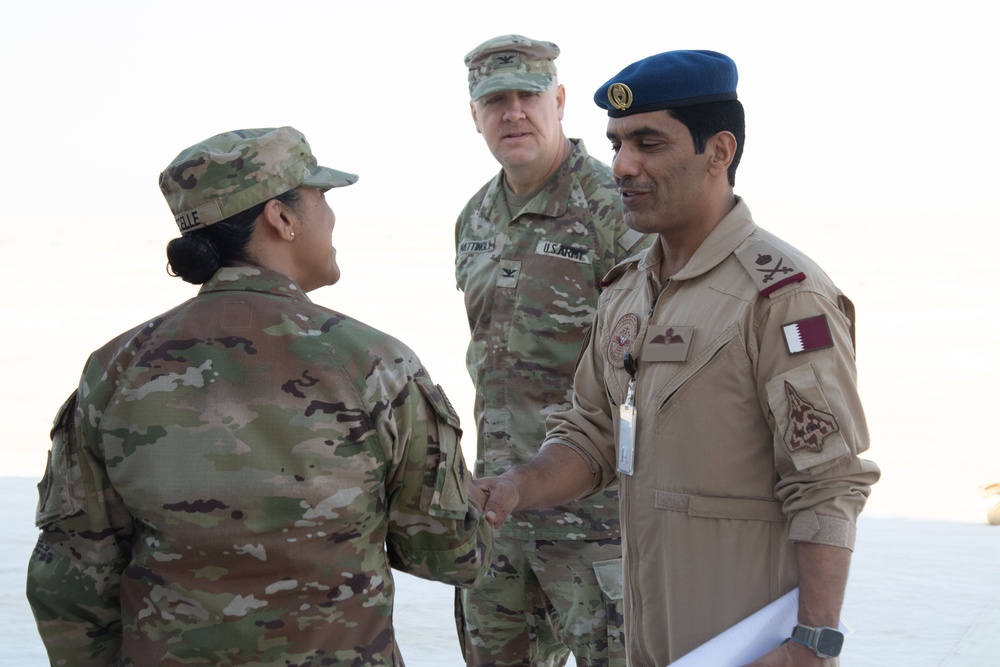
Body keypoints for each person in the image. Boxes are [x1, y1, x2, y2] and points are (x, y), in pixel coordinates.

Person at [26, 126, 493, 666]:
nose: (332, 217)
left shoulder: (113, 370)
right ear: (282, 218)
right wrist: (483, 504)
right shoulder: (376, 365)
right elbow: (452, 554)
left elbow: (70, 582)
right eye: (322, 197)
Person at [477, 50, 882, 666]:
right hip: (649, 637)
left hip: (745, 645)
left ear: (719, 151)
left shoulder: (783, 294)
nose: (623, 166)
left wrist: (815, 641)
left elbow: (826, 481)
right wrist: (515, 487)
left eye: (648, 143)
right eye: (616, 145)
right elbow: (592, 434)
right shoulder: (628, 289)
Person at [454, 34, 650, 667]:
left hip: (597, 525)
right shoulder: (474, 219)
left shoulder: (614, 209)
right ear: (475, 116)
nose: (513, 113)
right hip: (499, 518)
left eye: (528, 96)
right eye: (495, 101)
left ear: (559, 101)